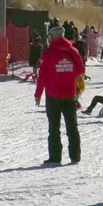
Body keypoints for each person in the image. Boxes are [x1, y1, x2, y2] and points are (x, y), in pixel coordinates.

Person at [35, 26, 86, 165]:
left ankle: (55, 157)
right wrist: (69, 75)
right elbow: (81, 69)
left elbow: (43, 76)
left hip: (53, 95)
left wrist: (38, 94)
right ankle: (75, 156)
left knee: (54, 128)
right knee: (72, 126)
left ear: (52, 37)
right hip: (70, 94)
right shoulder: (73, 51)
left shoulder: (48, 53)